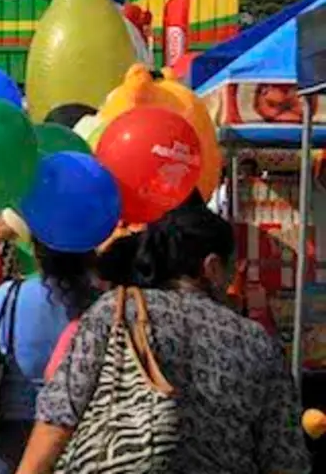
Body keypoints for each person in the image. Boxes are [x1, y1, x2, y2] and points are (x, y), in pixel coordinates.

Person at [19, 197, 311, 474]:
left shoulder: (118, 311)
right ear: (212, 267)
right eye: (231, 266)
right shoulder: (255, 340)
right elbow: (284, 456)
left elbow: (59, 415)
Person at [0, 236, 99, 473]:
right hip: (75, 423)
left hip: (11, 419)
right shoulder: (99, 303)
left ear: (37, 253)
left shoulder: (8, 293)